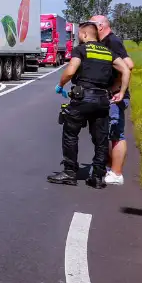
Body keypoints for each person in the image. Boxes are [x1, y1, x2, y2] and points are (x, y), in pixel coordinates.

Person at [47, 21, 131, 188]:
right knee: (100, 139)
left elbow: (70, 71)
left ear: (85, 35)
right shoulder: (108, 52)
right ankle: (98, 177)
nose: (78, 37)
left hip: (82, 98)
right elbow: (126, 69)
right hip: (102, 100)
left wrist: (60, 85)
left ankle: (70, 172)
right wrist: (120, 92)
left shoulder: (81, 50)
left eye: (79, 34)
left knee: (71, 134)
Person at [91, 14, 134, 186]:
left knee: (116, 133)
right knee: (106, 133)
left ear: (100, 26)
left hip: (115, 95)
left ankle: (116, 173)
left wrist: (117, 88)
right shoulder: (104, 42)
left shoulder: (112, 42)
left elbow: (128, 65)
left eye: (91, 25)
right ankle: (110, 167)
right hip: (108, 94)